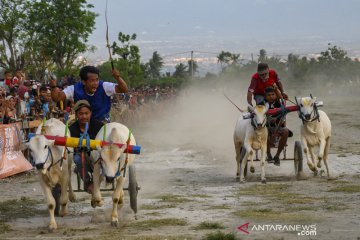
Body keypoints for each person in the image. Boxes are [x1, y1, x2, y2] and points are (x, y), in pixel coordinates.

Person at [50, 66, 128, 123]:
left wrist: (118, 77)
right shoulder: (74, 89)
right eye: (92, 81)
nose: (95, 84)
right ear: (84, 81)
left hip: (103, 123)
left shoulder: (104, 86)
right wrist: (53, 86)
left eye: (97, 80)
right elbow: (56, 98)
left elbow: (124, 89)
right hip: (82, 124)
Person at [69, 100, 104, 193]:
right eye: (80, 114)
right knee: (76, 159)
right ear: (76, 115)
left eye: (86, 113)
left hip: (97, 155)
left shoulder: (99, 126)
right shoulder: (71, 129)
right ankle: (87, 182)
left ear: (90, 114)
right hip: (81, 155)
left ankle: (96, 183)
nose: (84, 116)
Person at [264, 87, 293, 166]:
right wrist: (268, 120)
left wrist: (277, 89)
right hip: (264, 128)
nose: (271, 97)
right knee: (264, 133)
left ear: (276, 96)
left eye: (273, 94)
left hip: (278, 126)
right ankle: (268, 154)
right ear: (265, 97)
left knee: (286, 131)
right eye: (268, 95)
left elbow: (280, 97)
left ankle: (277, 156)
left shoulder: (279, 103)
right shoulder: (262, 105)